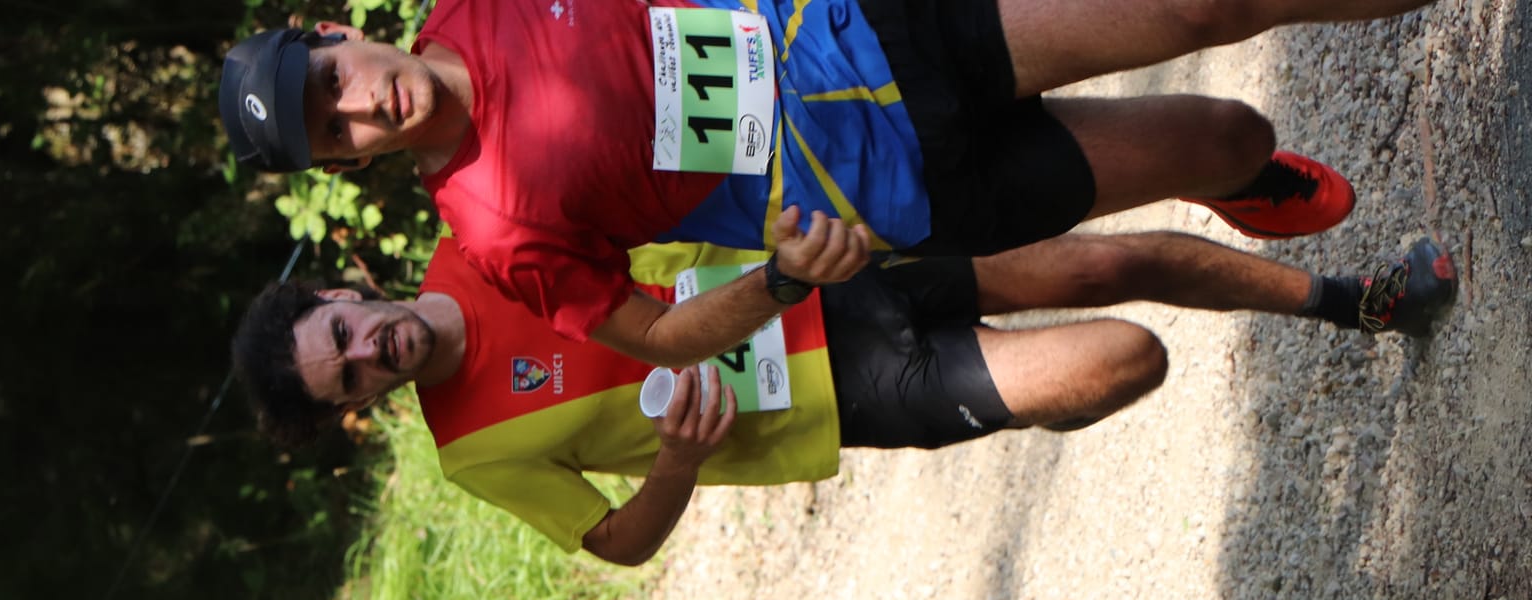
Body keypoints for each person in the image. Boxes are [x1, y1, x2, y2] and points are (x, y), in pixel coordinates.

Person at [218, 0, 1432, 367]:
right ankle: (1240, 176)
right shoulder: (491, 232)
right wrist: (778, 279)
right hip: (895, 192)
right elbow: (661, 338)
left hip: (884, 29)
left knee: (1198, 7)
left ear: (334, 31)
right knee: (1224, 131)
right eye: (336, 135)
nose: (362, 105)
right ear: (347, 166)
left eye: (335, 80)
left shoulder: (474, 7)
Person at [231, 229, 1456, 565]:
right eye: (352, 377)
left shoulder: (481, 243)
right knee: (1125, 354)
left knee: (1104, 257)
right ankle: (1033, 392)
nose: (371, 349)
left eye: (344, 330)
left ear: (341, 287)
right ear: (358, 406)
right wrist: (673, 462)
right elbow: (610, 544)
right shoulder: (470, 452)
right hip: (846, 390)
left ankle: (1353, 299)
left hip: (835, 260)